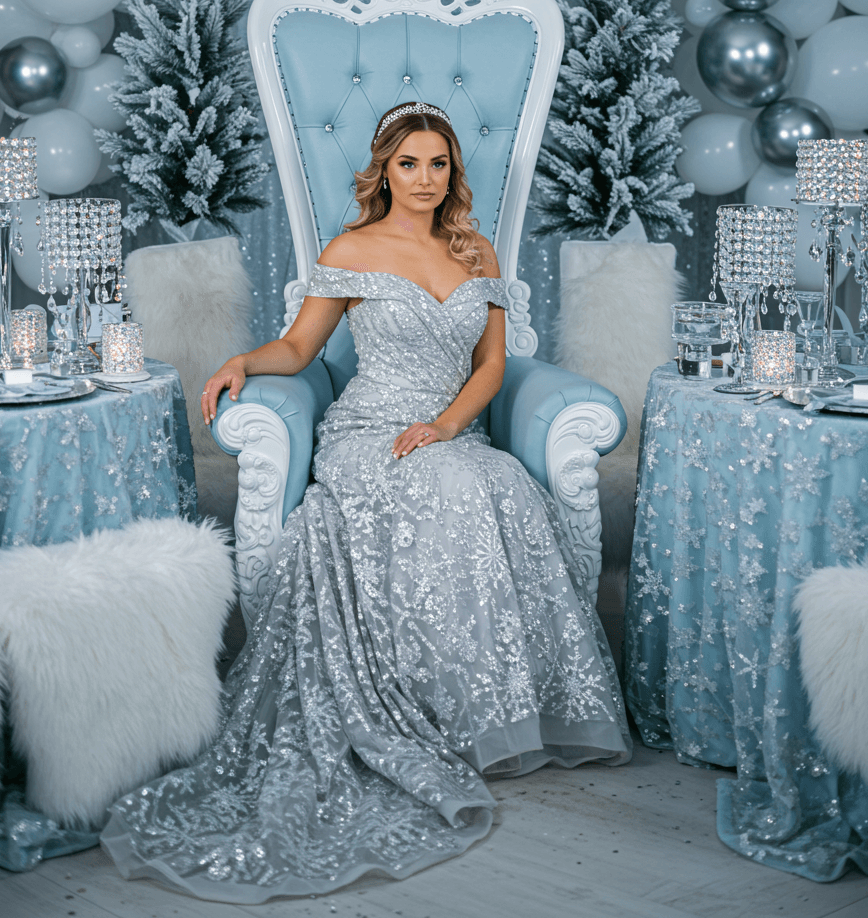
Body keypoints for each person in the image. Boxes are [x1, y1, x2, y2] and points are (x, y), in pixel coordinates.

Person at [101, 102, 631, 903]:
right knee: (453, 487)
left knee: (501, 486)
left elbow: (491, 367)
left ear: (454, 172)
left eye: (439, 164)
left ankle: (492, 711)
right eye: (410, 163)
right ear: (384, 169)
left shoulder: (473, 249)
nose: (424, 178)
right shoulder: (350, 249)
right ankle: (431, 711)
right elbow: (300, 349)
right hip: (368, 435)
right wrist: (241, 361)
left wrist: (448, 424)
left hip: (444, 429)